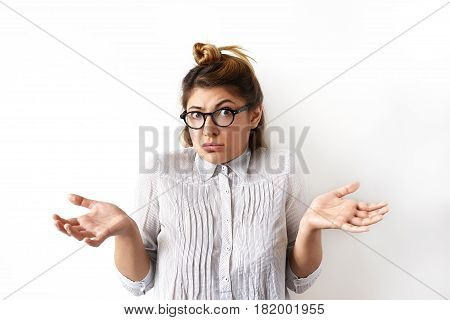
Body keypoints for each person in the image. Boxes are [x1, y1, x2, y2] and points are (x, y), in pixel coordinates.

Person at [52, 42, 390, 299]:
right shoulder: (162, 172)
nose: (208, 130)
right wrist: (125, 230)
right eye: (196, 114)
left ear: (254, 115)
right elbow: (139, 283)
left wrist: (311, 228)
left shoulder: (282, 171)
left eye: (224, 112)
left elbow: (297, 280)